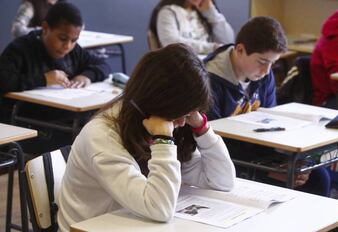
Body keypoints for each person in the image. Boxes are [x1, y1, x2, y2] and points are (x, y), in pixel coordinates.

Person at [57, 43, 236, 232]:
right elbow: (159, 208)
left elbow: (222, 181)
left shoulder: (157, 122)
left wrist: (201, 128)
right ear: (160, 101)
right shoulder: (103, 136)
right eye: (181, 113)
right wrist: (163, 141)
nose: (183, 123)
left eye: (190, 114)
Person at [205, 16, 330, 196]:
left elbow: (270, 124)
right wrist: (265, 170)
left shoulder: (262, 75)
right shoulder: (210, 82)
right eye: (263, 62)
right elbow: (210, 143)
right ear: (240, 49)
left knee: (317, 176)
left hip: (258, 152)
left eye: (273, 63)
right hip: (228, 161)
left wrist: (285, 162)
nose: (267, 71)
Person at [0, 2, 110, 121]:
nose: (68, 46)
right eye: (62, 38)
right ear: (46, 28)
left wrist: (86, 76)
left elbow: (102, 65)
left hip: (64, 116)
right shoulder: (21, 49)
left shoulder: (74, 51)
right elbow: (3, 81)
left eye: (74, 40)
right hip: (28, 120)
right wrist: (43, 79)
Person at [149, 0, 234, 54]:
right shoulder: (168, 12)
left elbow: (228, 42)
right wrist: (211, 48)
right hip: (181, 67)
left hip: (209, 68)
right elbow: (171, 43)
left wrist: (211, 13)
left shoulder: (204, 12)